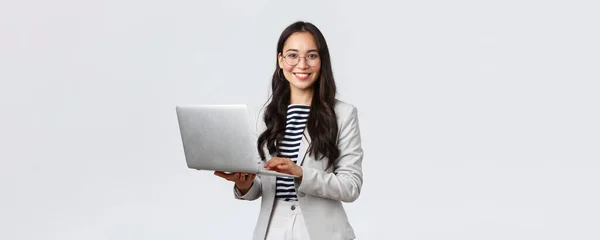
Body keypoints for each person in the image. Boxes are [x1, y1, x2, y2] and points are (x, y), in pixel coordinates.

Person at [214, 21, 364, 240]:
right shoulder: (262, 116)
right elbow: (259, 187)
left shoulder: (343, 114)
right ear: (281, 61)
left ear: (322, 61)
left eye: (311, 56)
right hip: (272, 230)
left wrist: (301, 173)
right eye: (292, 55)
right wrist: (244, 183)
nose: (301, 64)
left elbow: (351, 186)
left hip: (321, 233)